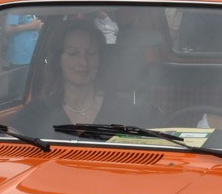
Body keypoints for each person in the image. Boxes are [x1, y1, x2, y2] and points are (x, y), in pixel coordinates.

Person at [13, 20, 156, 137]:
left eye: (91, 53)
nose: (83, 62)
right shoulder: (36, 113)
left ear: (101, 59)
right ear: (58, 60)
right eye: (73, 53)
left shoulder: (126, 112)